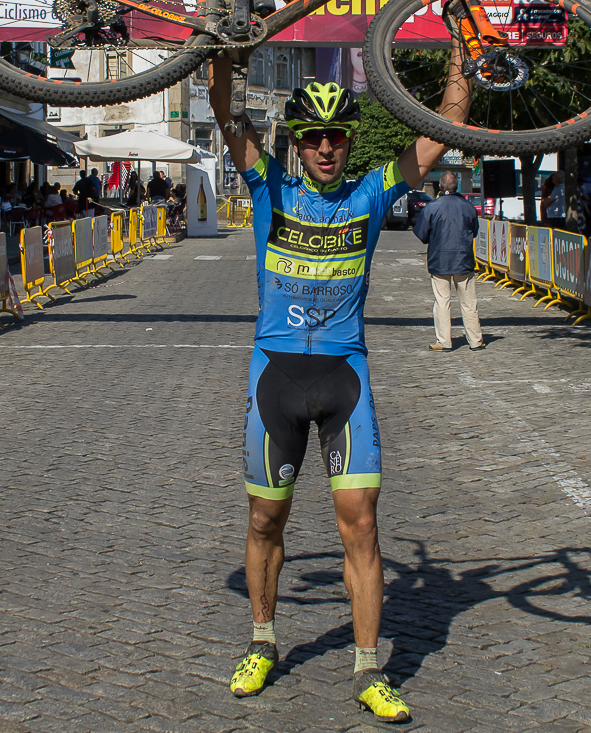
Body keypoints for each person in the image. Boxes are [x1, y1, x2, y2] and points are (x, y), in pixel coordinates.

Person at [210, 49, 469, 724]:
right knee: (264, 520)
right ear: (297, 144)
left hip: (343, 377)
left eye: (336, 137)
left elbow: (446, 127)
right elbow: (223, 106)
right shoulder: (270, 188)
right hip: (275, 376)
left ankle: (368, 667)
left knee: (362, 526)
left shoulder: (370, 193)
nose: (325, 148)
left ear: (349, 141)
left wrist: (459, 49)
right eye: (313, 138)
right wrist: (222, 50)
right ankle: (262, 641)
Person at [414, 171, 483, 351]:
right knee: (469, 303)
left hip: (440, 259)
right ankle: (475, 340)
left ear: (440, 186)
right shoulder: (468, 207)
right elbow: (474, 231)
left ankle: (444, 341)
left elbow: (421, 232)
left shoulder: (432, 206)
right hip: (463, 258)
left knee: (442, 302)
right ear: (456, 186)